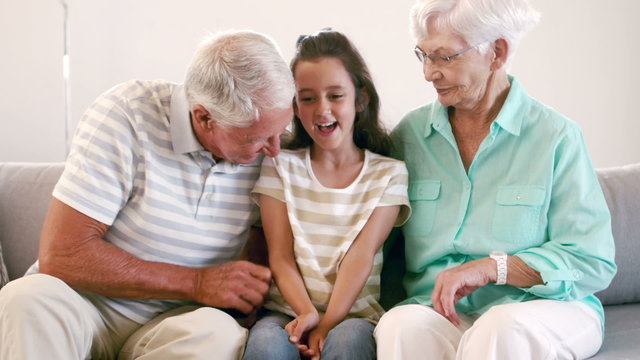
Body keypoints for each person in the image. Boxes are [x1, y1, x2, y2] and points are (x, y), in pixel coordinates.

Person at [0, 30, 295, 360]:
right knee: (27, 297)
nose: (275, 150)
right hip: (85, 307)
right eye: (257, 139)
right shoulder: (126, 115)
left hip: (174, 322)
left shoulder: (266, 141)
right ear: (204, 117)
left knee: (219, 335)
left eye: (280, 132)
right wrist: (198, 283)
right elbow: (63, 254)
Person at [374, 0, 618, 359]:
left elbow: (592, 260)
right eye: (423, 56)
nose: (429, 73)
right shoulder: (410, 137)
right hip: (442, 311)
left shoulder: (556, 137)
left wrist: (494, 269)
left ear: (497, 52)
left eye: (444, 57)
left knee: (500, 328)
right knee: (399, 325)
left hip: (543, 309)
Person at [242, 30, 411, 360]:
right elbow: (280, 256)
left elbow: (359, 257)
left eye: (335, 96)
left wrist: (326, 324)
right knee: (265, 345)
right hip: (286, 312)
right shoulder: (280, 165)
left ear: (359, 100)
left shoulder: (388, 174)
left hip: (353, 317)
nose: (322, 110)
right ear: (294, 105)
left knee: (347, 342)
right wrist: (307, 314)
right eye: (307, 98)